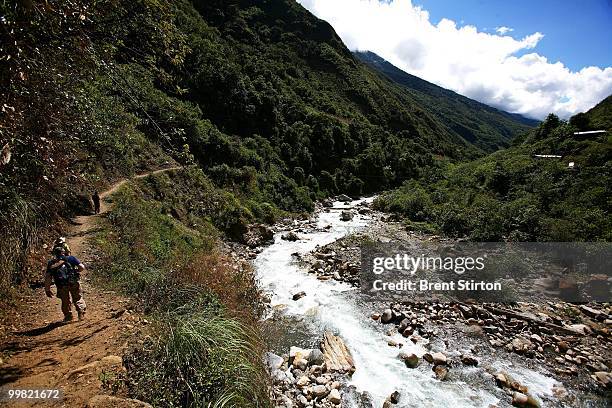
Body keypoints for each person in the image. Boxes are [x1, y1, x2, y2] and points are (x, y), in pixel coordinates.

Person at [44, 246, 87, 322]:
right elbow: (82, 267)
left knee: (65, 300)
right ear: (64, 252)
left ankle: (68, 316)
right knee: (77, 297)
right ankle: (81, 312)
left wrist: (47, 289)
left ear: (54, 253)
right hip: (73, 282)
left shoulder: (51, 263)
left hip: (61, 285)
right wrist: (76, 271)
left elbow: (48, 277)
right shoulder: (71, 258)